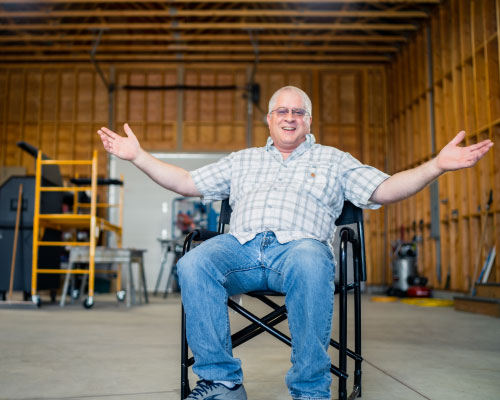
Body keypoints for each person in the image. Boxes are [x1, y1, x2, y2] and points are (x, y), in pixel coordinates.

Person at [97, 86, 493, 400]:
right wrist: (138, 157)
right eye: (281, 111)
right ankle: (222, 384)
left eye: (298, 111)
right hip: (242, 247)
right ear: (269, 119)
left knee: (310, 258)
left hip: (300, 250)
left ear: (308, 120)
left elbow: (386, 188)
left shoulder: (335, 160)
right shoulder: (243, 160)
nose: (290, 118)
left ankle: (309, 390)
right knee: (194, 262)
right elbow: (185, 182)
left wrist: (437, 165)